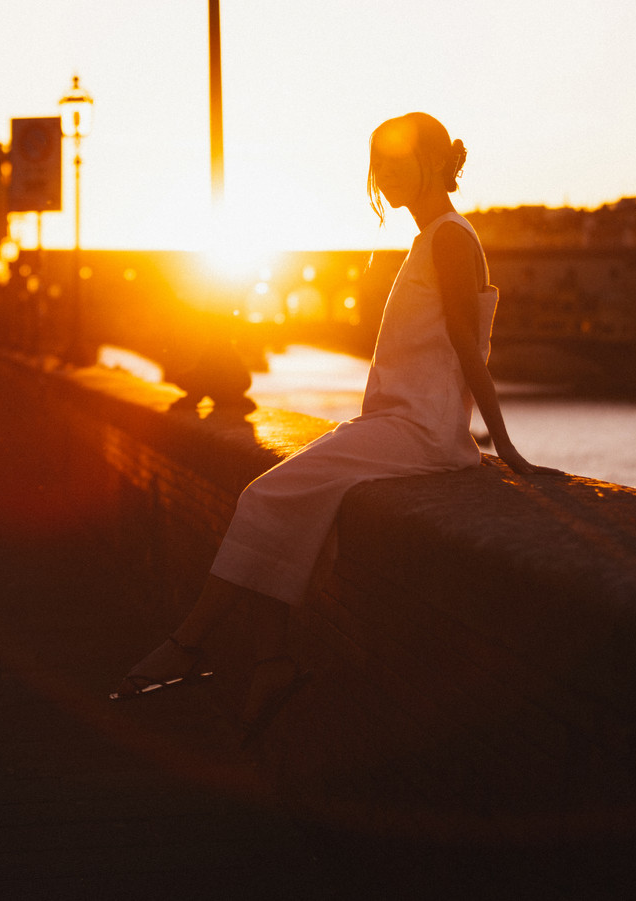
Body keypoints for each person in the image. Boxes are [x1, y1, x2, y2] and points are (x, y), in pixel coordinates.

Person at [111, 112, 564, 735]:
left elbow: (467, 347)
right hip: (399, 422)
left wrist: (502, 443)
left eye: (397, 162)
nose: (385, 174)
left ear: (435, 162)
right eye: (379, 163)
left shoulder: (449, 239)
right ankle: (269, 662)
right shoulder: (433, 238)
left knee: (265, 495)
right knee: (280, 500)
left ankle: (188, 645)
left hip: (419, 430)